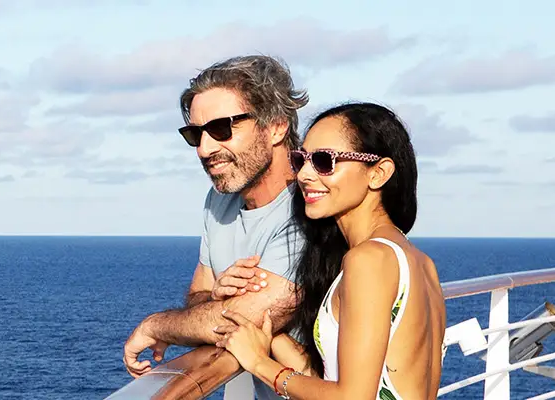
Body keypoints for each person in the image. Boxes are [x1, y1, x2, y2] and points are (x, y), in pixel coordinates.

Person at [213, 102, 445, 399]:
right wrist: (269, 337)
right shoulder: (419, 263)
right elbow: (350, 379)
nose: (304, 175)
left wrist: (260, 365)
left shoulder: (367, 260)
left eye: (324, 161)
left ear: (379, 173)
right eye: (301, 160)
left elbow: (353, 397)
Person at [121, 54, 307, 400]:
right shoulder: (219, 199)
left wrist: (155, 325)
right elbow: (199, 297)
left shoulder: (310, 206)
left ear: (276, 127)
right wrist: (217, 297)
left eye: (222, 129)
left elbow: (246, 317)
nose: (205, 149)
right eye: (195, 134)